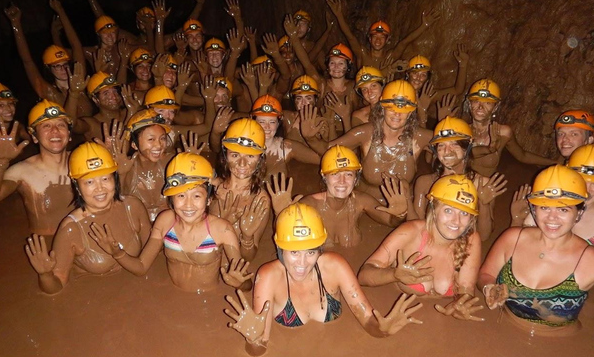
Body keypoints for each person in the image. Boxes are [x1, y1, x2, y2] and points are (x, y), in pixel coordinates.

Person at [478, 165, 594, 332]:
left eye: (563, 209)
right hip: (501, 331)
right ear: (534, 209)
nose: (552, 218)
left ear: (578, 213)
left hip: (555, 350)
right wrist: (489, 288)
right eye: (545, 207)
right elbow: (485, 274)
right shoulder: (512, 238)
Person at [223, 203, 423, 357]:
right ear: (279, 248)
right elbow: (260, 350)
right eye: (293, 252)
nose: (302, 262)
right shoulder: (268, 277)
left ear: (320, 248)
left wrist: (383, 330)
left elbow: (368, 320)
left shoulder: (335, 266)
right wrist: (252, 340)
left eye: (311, 252)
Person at [88, 153, 251, 293]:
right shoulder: (165, 221)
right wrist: (117, 253)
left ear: (208, 199)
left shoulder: (222, 230)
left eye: (196, 196)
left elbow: (247, 283)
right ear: (171, 199)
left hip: (209, 300)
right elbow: (141, 267)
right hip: (174, 297)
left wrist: (240, 283)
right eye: (180, 196)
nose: (188, 204)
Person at [24, 142, 151, 294]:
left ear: (114, 179)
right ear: (77, 186)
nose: (100, 188)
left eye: (105, 179)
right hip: (95, 298)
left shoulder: (133, 206)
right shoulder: (71, 229)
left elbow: (152, 252)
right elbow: (56, 287)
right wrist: (45, 275)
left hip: (136, 292)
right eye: (89, 182)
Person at [300, 80, 433, 199]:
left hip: (404, 207)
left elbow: (450, 150)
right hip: (365, 205)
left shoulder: (419, 137)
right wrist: (310, 138)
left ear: (410, 112)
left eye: (403, 109)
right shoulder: (365, 133)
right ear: (382, 106)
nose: (397, 113)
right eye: (391, 107)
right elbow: (329, 150)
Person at [359, 175, 481, 297]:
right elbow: (363, 275)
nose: (456, 221)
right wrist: (393, 274)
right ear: (433, 209)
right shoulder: (410, 232)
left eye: (464, 213)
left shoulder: (471, 240)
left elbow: (467, 291)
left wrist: (458, 307)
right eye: (448, 211)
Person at [268, 145, 409, 247]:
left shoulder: (361, 201)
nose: (342, 181)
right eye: (335, 174)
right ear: (324, 177)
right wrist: (280, 215)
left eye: (348, 174)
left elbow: (391, 222)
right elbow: (284, 240)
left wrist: (401, 214)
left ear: (355, 179)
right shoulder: (309, 206)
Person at [0, 100, 74, 238]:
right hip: (45, 247)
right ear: (34, 136)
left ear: (69, 135)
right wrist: (1, 161)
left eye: (61, 125)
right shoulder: (22, 171)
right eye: (46, 126)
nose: (55, 131)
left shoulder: (85, 160)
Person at [411, 116, 507, 240]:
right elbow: (417, 228)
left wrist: (484, 204)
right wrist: (407, 203)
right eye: (441, 146)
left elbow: (483, 236)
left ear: (466, 147)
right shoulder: (424, 183)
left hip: (461, 248)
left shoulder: (482, 184)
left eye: (454, 144)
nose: (447, 151)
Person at [465, 79, 556, 176]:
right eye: (476, 101)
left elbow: (522, 156)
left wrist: (554, 163)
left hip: (486, 188)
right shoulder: (461, 130)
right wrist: (489, 149)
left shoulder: (503, 132)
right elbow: (463, 154)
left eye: (487, 103)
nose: (480, 107)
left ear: (495, 107)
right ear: (469, 104)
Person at [209, 119, 272, 261]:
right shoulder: (210, 186)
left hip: (229, 266)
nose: (242, 163)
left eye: (250, 156)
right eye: (235, 155)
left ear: (260, 158)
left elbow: (247, 258)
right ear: (225, 155)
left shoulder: (260, 201)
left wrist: (247, 237)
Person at [326, 0, 437, 73]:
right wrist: (339, 15)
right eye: (375, 37)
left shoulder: (390, 56)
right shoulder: (362, 54)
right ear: (369, 39)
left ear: (387, 40)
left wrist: (424, 25)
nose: (378, 41)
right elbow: (350, 37)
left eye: (382, 38)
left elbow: (405, 42)